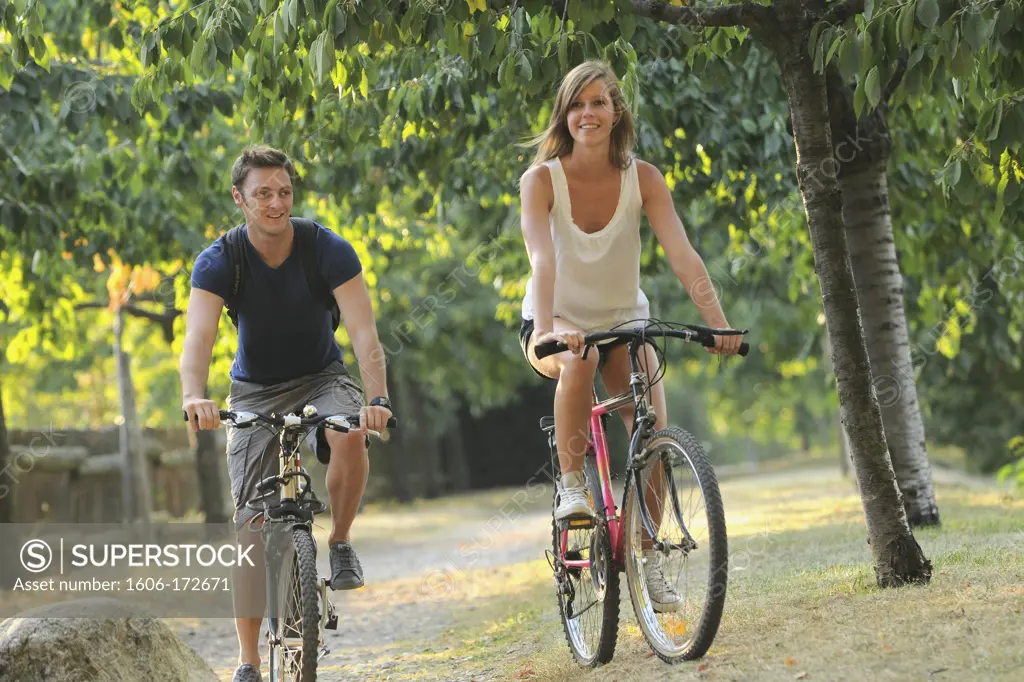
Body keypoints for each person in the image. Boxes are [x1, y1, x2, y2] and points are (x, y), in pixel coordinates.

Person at [517, 61, 744, 611]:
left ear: (617, 111)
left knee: (653, 435)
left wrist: (717, 323)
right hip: (556, 319)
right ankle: (573, 489)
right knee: (579, 360)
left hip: (624, 320)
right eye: (576, 104)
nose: (587, 114)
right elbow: (541, 259)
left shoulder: (643, 178)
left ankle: (645, 557)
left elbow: (683, 255)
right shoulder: (541, 181)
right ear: (564, 115)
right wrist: (549, 330)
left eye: (598, 102)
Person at [180, 145, 393, 682]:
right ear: (240, 199)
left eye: (284, 192)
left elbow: (364, 331)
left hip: (322, 378)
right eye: (262, 194)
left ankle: (340, 541)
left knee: (349, 435)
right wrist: (193, 395)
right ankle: (248, 660)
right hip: (252, 391)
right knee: (250, 524)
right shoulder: (219, 259)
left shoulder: (327, 249)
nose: (276, 203)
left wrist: (378, 399)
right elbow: (199, 337)